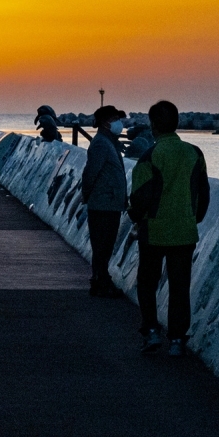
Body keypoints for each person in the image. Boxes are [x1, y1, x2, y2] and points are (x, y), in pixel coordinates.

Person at [130, 100, 211, 358]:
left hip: (154, 231)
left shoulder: (149, 156)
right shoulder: (195, 153)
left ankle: (151, 331)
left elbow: (140, 196)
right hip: (184, 232)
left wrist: (135, 216)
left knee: (147, 283)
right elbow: (204, 193)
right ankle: (177, 339)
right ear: (177, 123)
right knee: (179, 287)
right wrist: (193, 217)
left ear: (153, 125)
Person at [81, 105, 127, 299]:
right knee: (102, 246)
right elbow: (91, 172)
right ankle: (100, 282)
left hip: (109, 202)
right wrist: (88, 195)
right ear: (106, 122)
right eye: (116, 118)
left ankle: (101, 280)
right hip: (103, 203)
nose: (120, 123)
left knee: (104, 246)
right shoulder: (101, 143)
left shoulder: (108, 142)